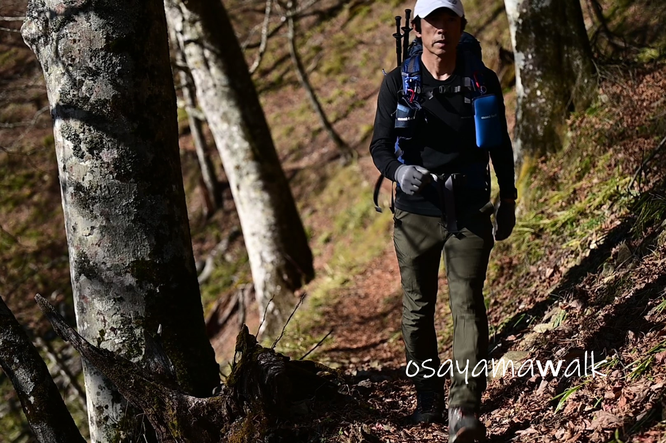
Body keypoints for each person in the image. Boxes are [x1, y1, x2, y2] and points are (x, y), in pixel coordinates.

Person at [369, 0, 517, 440]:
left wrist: (507, 196)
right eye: (432, 21)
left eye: (449, 19)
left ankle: (464, 408)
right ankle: (427, 396)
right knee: (417, 309)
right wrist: (400, 172)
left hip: (470, 208)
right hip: (415, 214)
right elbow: (379, 146)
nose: (441, 29)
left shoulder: (481, 80)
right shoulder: (398, 84)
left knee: (467, 302)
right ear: (417, 29)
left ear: (461, 26)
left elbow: (500, 145)